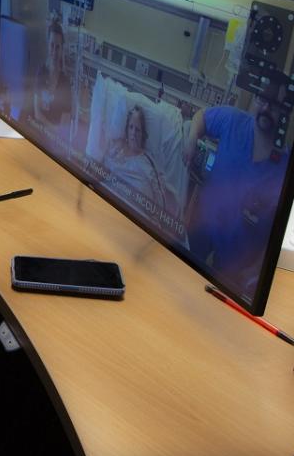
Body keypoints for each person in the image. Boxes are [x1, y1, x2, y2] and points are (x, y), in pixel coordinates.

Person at [183, 79, 291, 297]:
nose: (266, 108)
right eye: (262, 99)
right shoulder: (233, 120)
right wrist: (192, 138)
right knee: (182, 281)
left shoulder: (285, 167)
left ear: (285, 113)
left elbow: (275, 233)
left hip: (237, 261)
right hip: (203, 229)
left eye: (275, 104)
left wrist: (254, 271)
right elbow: (200, 117)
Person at [102, 104, 167, 210]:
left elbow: (160, 204)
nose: (133, 133)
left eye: (137, 130)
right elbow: (101, 173)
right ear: (126, 129)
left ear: (143, 134)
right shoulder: (115, 150)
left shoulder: (148, 162)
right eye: (131, 127)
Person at [32, 18, 73, 132]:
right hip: (39, 130)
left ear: (62, 49)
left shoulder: (65, 84)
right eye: (52, 45)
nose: (54, 51)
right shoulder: (41, 73)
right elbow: (37, 113)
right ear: (48, 45)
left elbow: (65, 121)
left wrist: (54, 132)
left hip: (56, 138)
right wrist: (51, 128)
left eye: (58, 47)